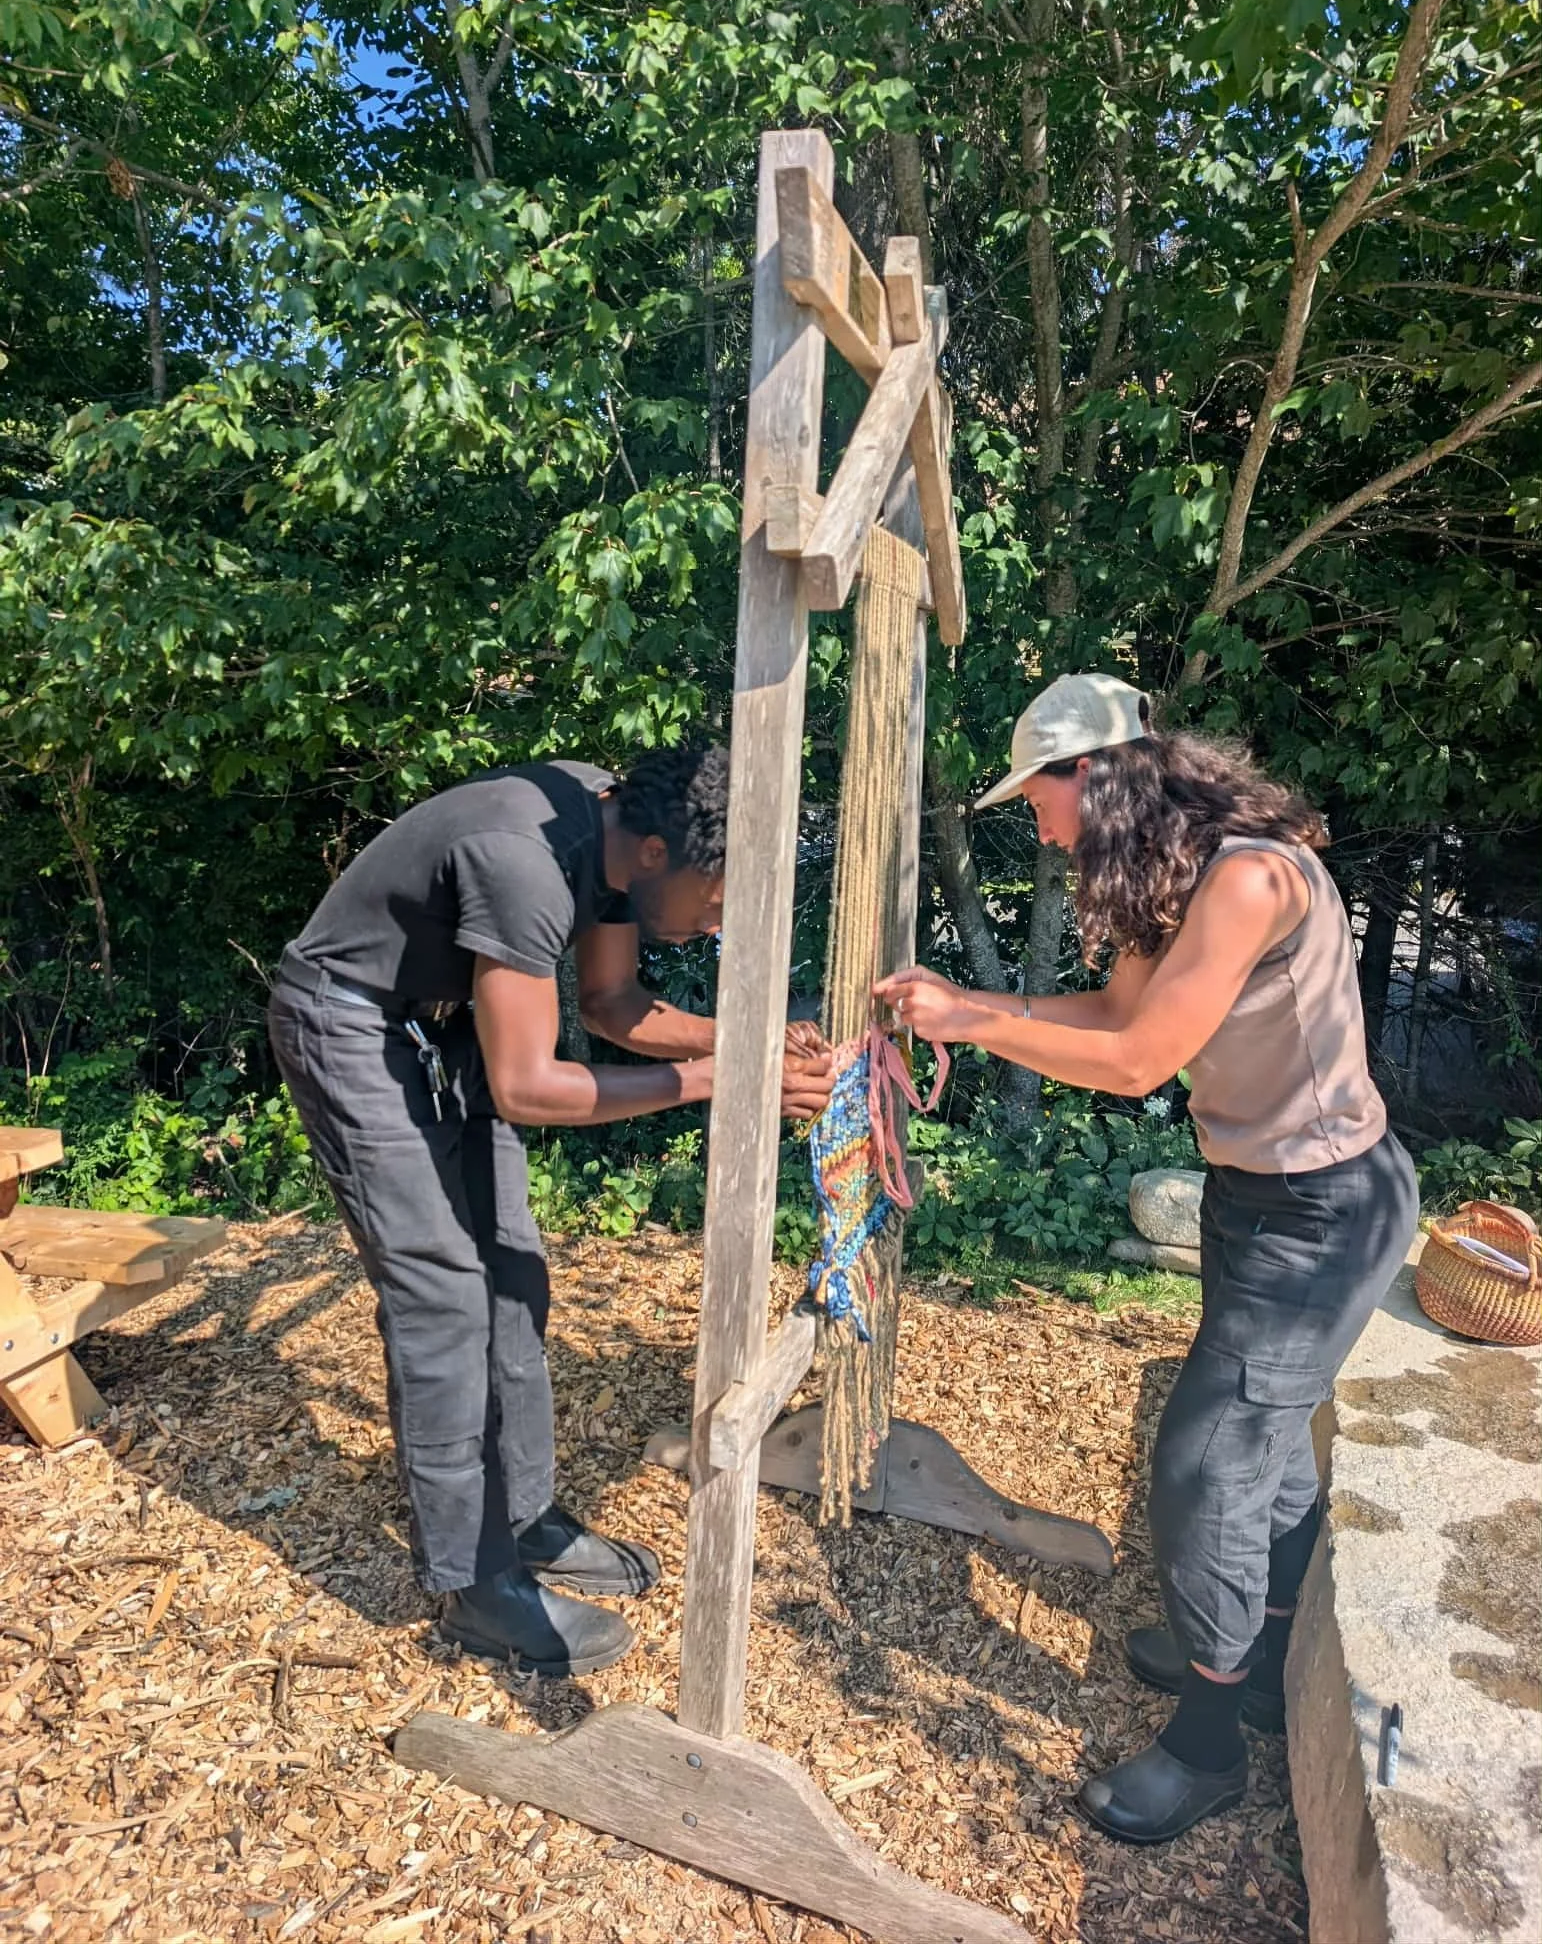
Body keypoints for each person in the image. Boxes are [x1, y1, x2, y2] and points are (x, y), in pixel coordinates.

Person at [874, 673, 1418, 1845]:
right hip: (1256, 1197)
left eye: (1042, 796)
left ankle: (1209, 1746)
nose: (1038, 821)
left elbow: (1136, 1061)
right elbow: (1104, 1012)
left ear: (1099, 777)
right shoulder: (1174, 882)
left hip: (1326, 1211)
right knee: (1263, 1452)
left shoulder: (1251, 875)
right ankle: (1254, 1664)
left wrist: (973, 1020)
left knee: (1204, 1461)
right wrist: (970, 1001)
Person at [268, 746, 835, 1678]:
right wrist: (712, 1079)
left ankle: (524, 1520)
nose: (720, 918)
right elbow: (529, 1084)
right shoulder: (521, 864)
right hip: (350, 1021)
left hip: (441, 1022)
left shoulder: (618, 833)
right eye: (720, 895)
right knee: (442, 1294)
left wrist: (754, 1042)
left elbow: (613, 1005)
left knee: (514, 1274)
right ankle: (475, 1582)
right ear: (657, 853)